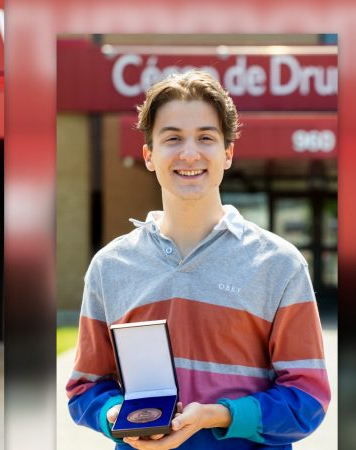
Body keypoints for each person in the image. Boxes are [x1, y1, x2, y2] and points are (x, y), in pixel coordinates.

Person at [66, 70, 330, 449]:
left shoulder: (279, 265)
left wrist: (218, 415)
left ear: (227, 153)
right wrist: (114, 416)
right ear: (149, 156)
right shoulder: (110, 267)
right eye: (172, 138)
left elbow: (308, 400)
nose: (189, 153)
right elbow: (85, 387)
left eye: (205, 137)